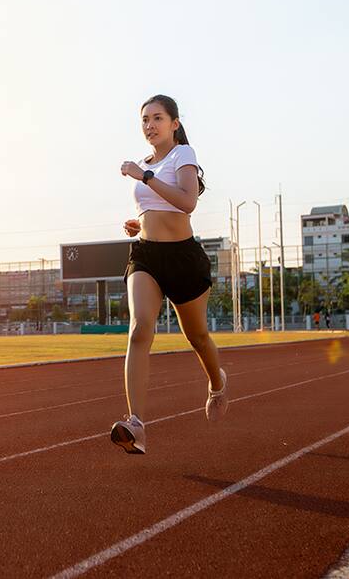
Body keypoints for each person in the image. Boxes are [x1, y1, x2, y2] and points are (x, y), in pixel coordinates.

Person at [109, 94, 226, 455]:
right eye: (144, 120)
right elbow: (153, 207)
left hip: (183, 258)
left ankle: (217, 382)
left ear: (174, 123)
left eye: (157, 118)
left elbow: (187, 202)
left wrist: (143, 175)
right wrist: (138, 223)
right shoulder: (144, 163)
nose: (149, 125)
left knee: (198, 337)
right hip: (146, 255)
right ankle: (136, 424)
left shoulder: (182, 156)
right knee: (140, 327)